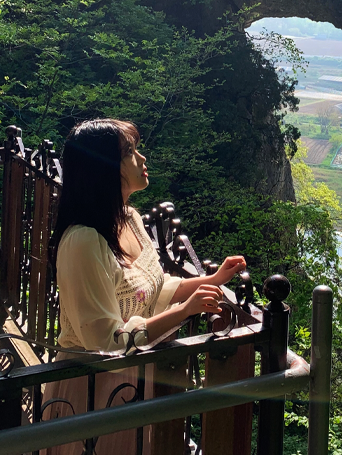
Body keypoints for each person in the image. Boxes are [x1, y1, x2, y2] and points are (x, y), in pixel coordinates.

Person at [42, 118, 246, 454]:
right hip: (93, 392)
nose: (142, 159)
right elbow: (106, 343)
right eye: (130, 152)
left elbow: (155, 288)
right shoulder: (83, 241)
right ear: (104, 167)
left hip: (134, 382)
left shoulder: (130, 219)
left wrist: (212, 280)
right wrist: (185, 310)